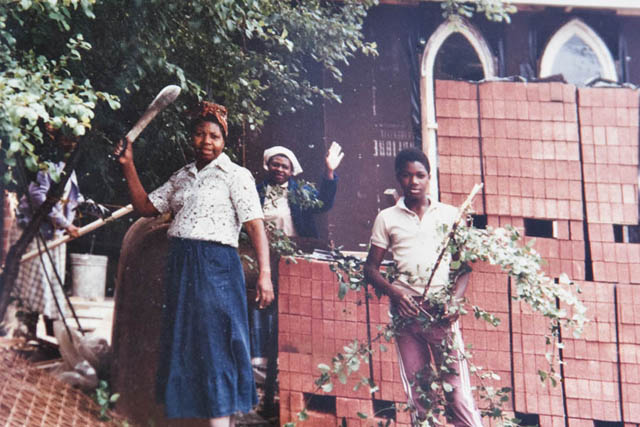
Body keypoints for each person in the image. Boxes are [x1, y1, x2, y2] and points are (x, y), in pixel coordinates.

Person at [116, 101, 274, 427]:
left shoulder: (236, 176)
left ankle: (221, 424)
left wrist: (265, 275)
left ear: (224, 140)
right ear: (192, 138)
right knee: (186, 344)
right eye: (200, 134)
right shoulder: (182, 177)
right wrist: (128, 165)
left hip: (217, 268)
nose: (206, 141)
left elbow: (255, 225)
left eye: (214, 136)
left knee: (217, 345)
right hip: (181, 267)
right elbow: (147, 207)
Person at [363, 147, 482, 426]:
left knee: (457, 392)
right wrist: (396, 292)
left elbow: (463, 266)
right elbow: (370, 269)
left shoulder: (450, 215)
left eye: (420, 175)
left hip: (440, 312)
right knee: (419, 393)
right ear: (398, 178)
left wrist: (454, 301)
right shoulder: (387, 218)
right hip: (405, 315)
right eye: (406, 175)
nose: (413, 181)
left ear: (429, 178)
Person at [249, 143, 343, 388]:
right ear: (267, 166)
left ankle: (285, 365)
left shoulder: (299, 192)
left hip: (293, 255)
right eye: (275, 164)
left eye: (285, 166)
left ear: (292, 171)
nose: (279, 169)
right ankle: (260, 365)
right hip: (263, 257)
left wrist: (329, 172)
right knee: (262, 304)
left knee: (288, 306)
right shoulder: (256, 191)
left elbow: (323, 204)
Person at [12, 127, 82, 338]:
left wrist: (88, 206)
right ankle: (28, 332)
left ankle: (52, 334)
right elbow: (38, 197)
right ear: (58, 139)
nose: (70, 144)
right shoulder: (47, 167)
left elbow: (73, 198)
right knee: (36, 284)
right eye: (67, 139)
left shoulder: (68, 168)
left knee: (53, 284)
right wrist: (64, 223)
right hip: (36, 234)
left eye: (74, 140)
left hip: (55, 236)